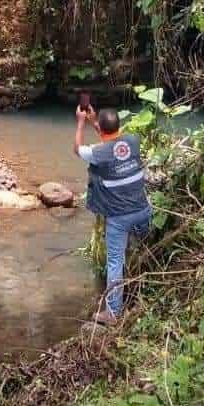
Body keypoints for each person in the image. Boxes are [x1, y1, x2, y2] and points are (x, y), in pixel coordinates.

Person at [74, 103, 151, 323]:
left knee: (114, 262)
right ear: (119, 126)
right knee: (139, 244)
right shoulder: (133, 141)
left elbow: (77, 149)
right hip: (143, 210)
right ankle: (144, 275)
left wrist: (81, 123)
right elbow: (112, 140)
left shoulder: (98, 152)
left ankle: (113, 313)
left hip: (119, 218)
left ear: (102, 130)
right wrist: (94, 121)